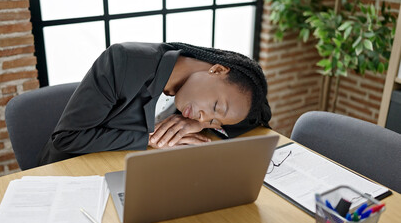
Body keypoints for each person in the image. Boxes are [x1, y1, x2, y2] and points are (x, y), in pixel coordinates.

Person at [37, 42, 271, 165]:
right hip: (69, 170)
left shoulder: (201, 87)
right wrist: (149, 140)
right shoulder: (123, 61)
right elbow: (66, 138)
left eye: (213, 119)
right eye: (216, 108)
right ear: (217, 69)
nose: (204, 117)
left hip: (122, 169)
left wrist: (200, 125)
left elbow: (255, 117)